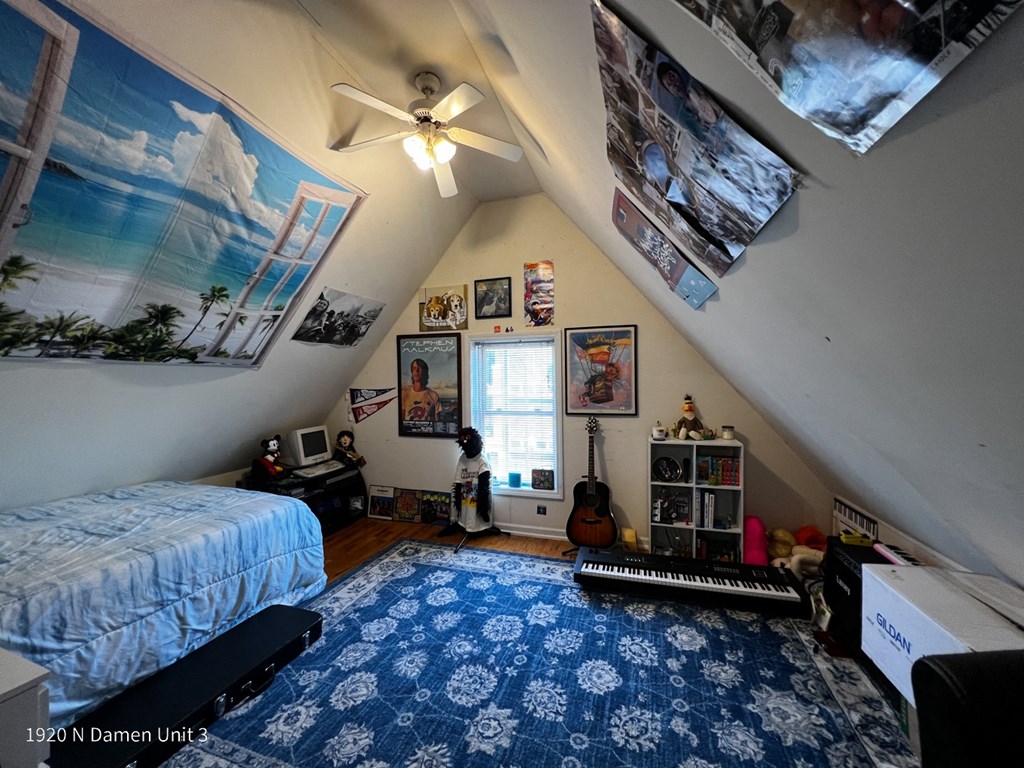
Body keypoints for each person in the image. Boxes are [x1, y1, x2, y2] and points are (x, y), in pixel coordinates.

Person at [447, 427, 492, 534]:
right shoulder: (462, 459)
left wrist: (484, 510)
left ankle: (479, 527)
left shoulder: (482, 460)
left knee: (476, 516)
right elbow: (457, 482)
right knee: (466, 513)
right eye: (463, 438)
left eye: (468, 438)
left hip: (477, 497)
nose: (465, 441)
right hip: (465, 497)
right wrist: (457, 505)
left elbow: (484, 487)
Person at [401, 357, 440, 422]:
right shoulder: (405, 394)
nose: (416, 371)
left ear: (425, 371)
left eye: (419, 368)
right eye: (414, 368)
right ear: (412, 373)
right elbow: (402, 423)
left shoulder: (433, 395)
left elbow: (438, 424)